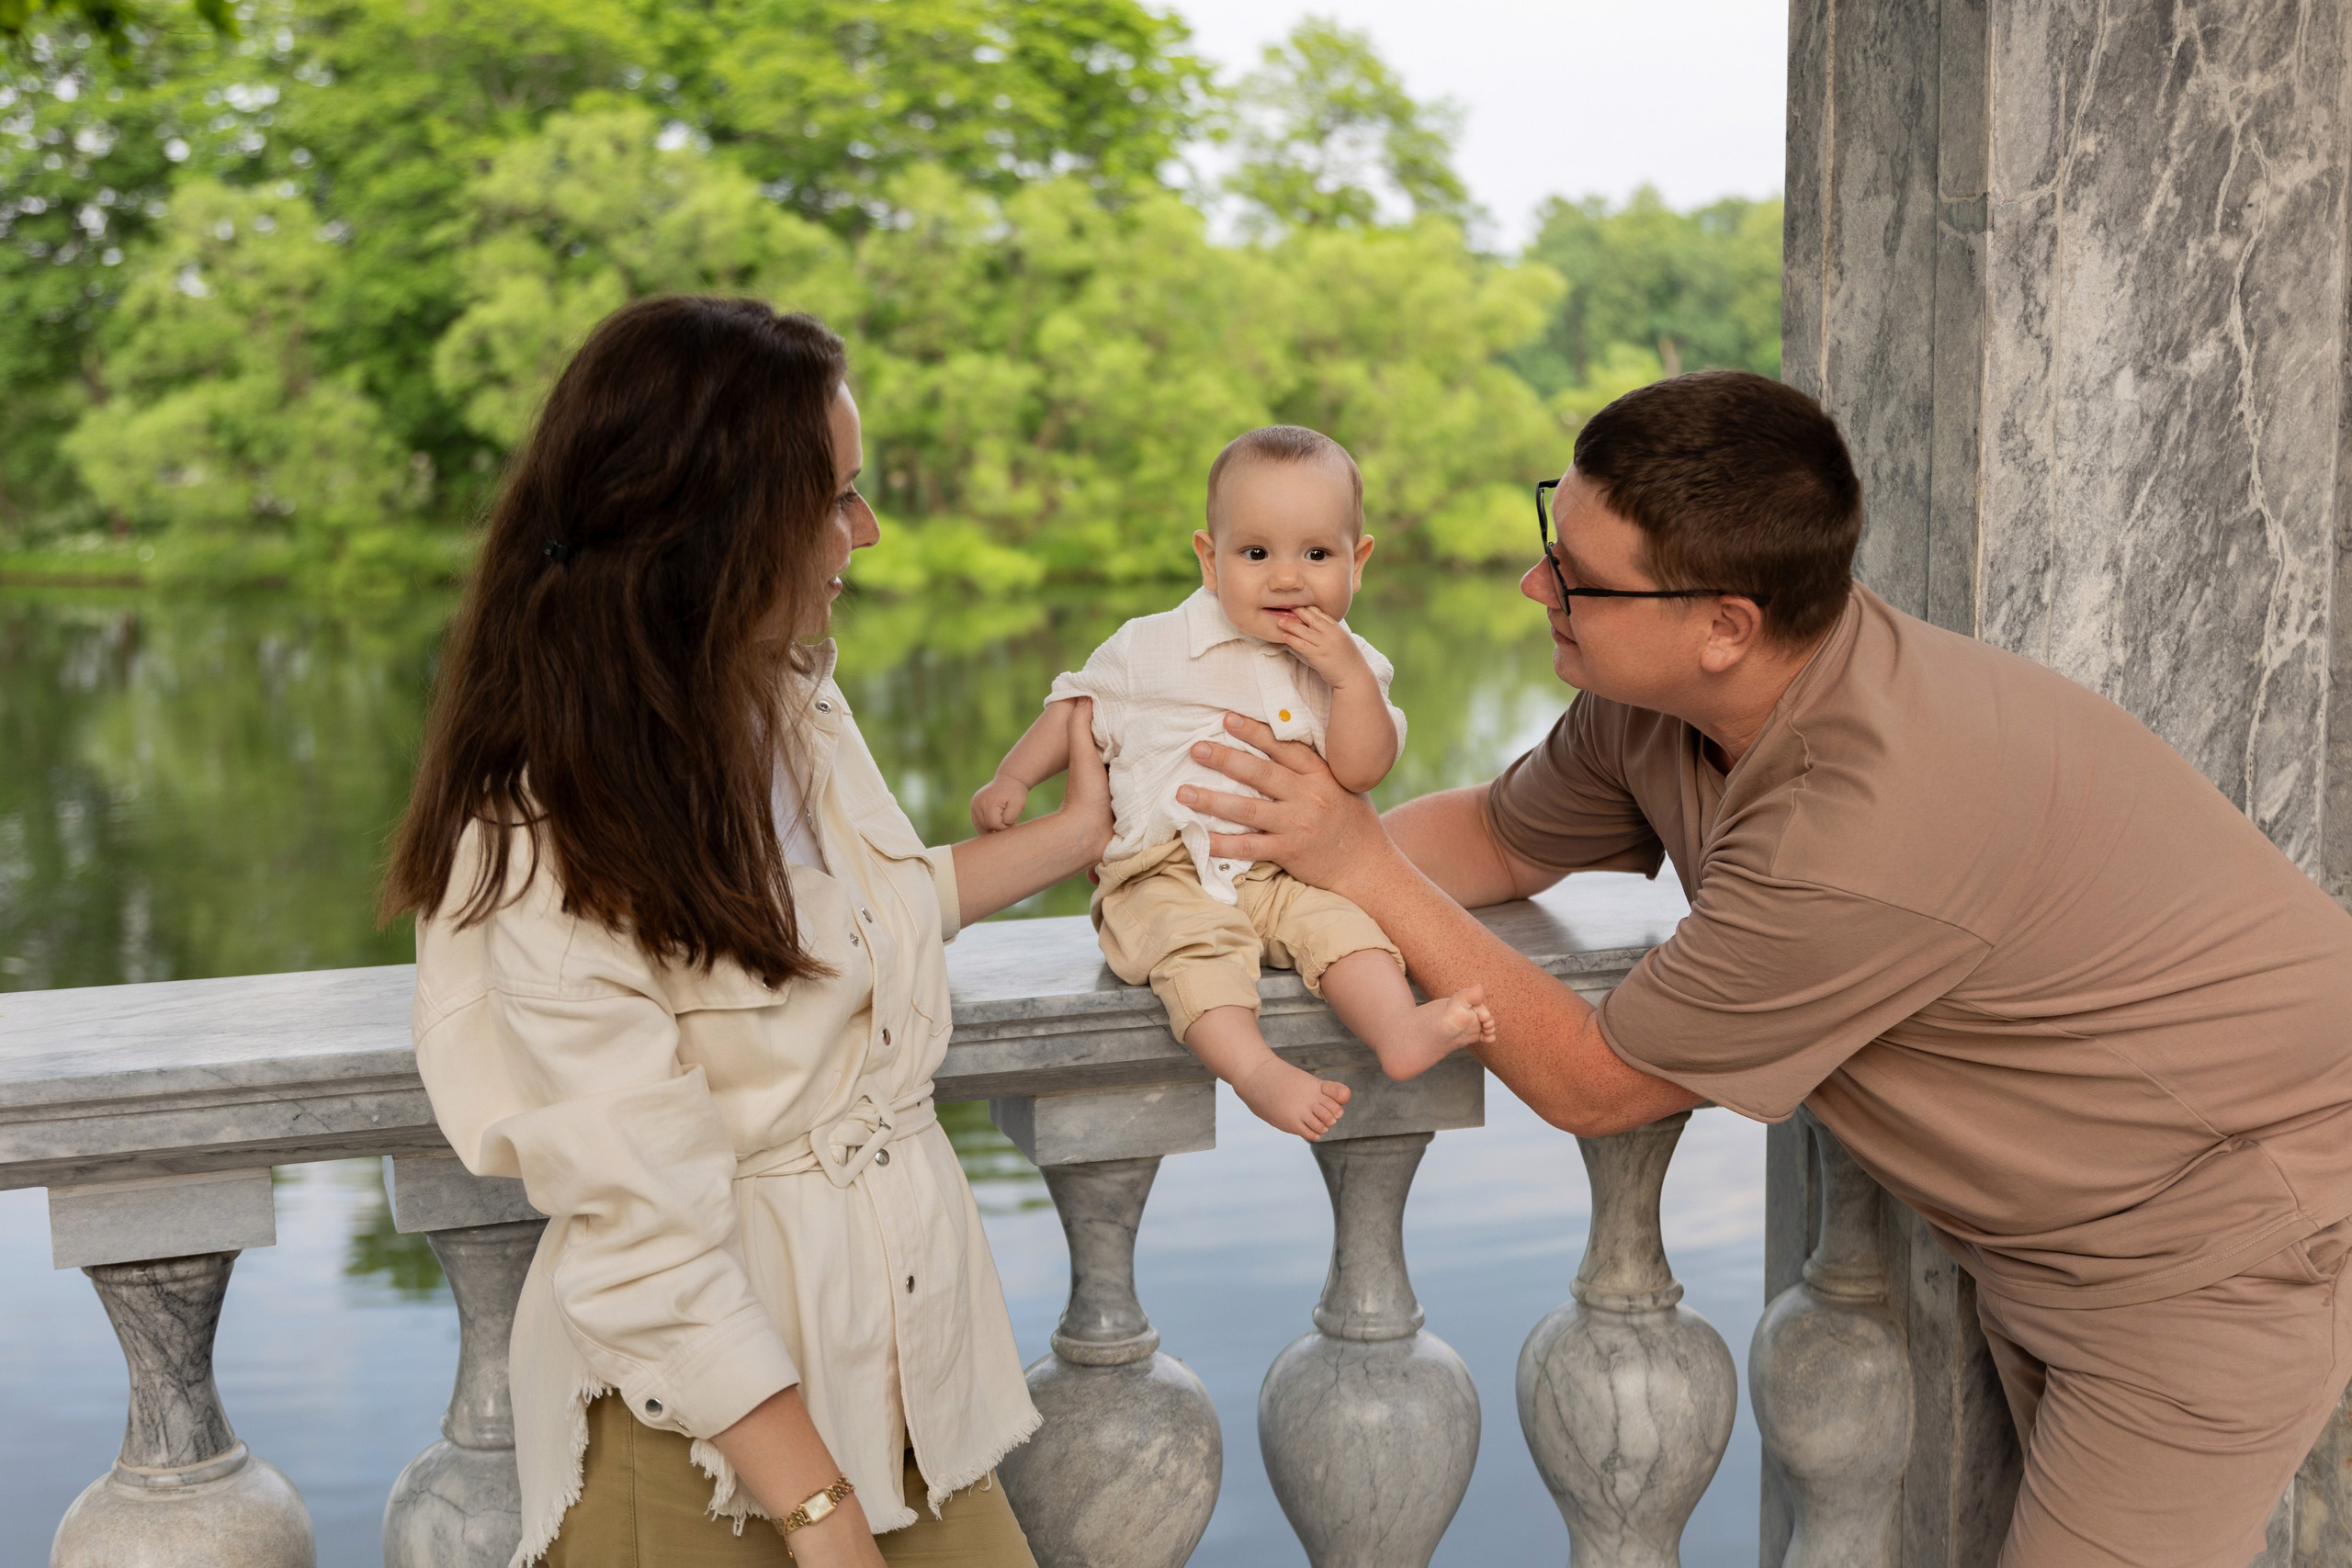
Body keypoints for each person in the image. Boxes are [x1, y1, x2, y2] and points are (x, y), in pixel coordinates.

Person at [1176, 370, 2352, 1568]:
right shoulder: (1665, 691)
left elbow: (1597, 1081)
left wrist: (1360, 866)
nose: (1536, 585)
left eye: (1576, 577)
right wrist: (1221, 883)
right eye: (1550, 537)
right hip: (2060, 1230)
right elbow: (1498, 836)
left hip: (2210, 1249)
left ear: (1726, 626)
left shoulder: (1854, 828)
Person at [382, 298, 1111, 1568]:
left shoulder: (784, 700)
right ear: (710, 524)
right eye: (833, 498)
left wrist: (1075, 835)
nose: (863, 531)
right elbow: (646, 1233)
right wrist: (823, 1520)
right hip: (706, 1452)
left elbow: (855, 923)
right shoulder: (538, 829)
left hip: (912, 1386)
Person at [971, 425, 1495, 1142]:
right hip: (1163, 869)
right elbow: (1075, 707)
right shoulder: (1150, 645)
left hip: (1285, 869)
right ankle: (1256, 1071)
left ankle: (1397, 1030)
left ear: (1358, 562)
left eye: (1317, 554)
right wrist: (1014, 775)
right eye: (1256, 554)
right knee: (1196, 948)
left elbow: (1362, 769)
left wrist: (1346, 677)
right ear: (1209, 559)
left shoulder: (1351, 664)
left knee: (1346, 926)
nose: (1287, 578)